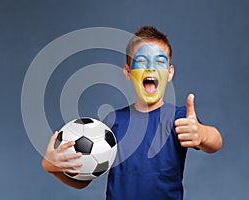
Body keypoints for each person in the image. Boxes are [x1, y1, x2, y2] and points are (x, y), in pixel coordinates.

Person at [41, 26, 223, 199]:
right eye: (142, 61)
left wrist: (202, 134)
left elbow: (215, 142)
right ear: (128, 72)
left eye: (159, 62)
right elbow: (84, 181)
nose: (151, 68)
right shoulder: (112, 123)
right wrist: (51, 167)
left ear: (169, 73)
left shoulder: (179, 118)